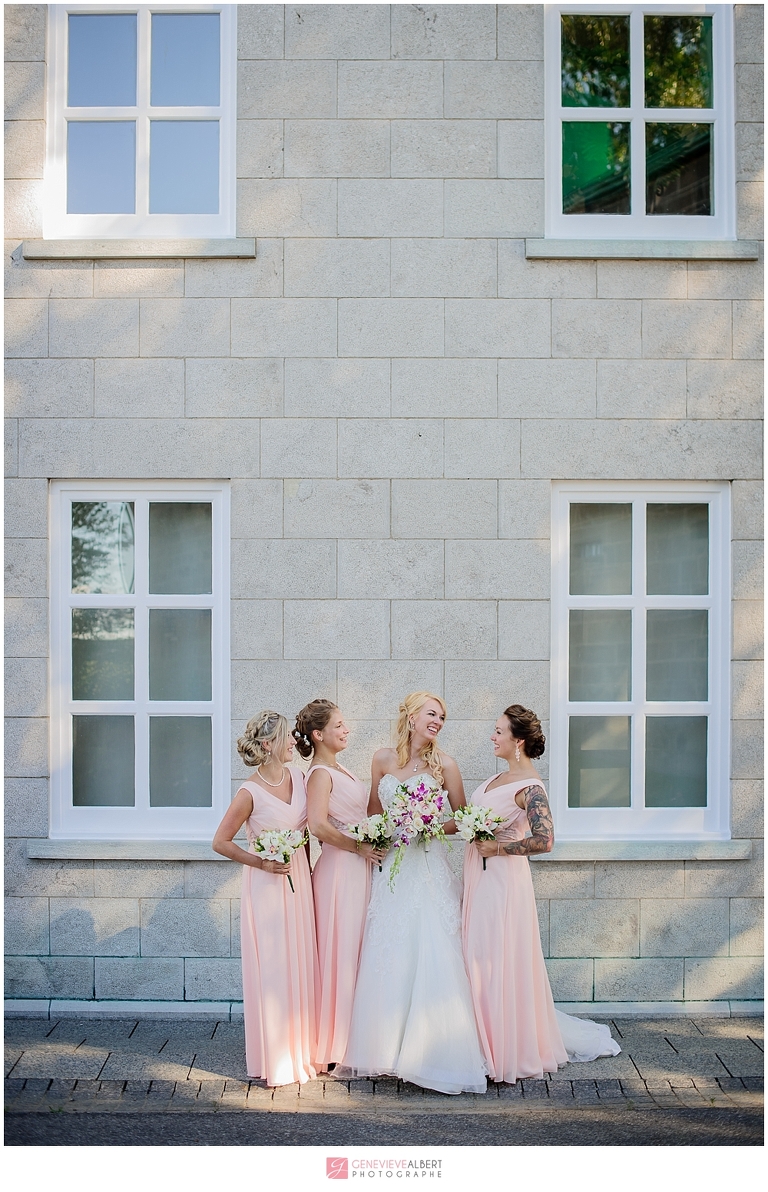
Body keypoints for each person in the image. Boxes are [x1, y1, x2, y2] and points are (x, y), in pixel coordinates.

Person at [338, 692, 488, 1095]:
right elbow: (373, 809)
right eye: (432, 714)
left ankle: (433, 1052)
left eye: (443, 716)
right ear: (410, 716)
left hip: (427, 868)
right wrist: (377, 834)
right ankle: (385, 1049)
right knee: (390, 948)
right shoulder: (383, 759)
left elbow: (462, 820)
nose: (438, 721)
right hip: (392, 871)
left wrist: (428, 827)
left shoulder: (446, 767)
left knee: (432, 947)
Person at [462, 704, 620, 1082]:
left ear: (518, 741)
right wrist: (423, 823)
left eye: (498, 731)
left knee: (492, 957)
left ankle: (503, 1048)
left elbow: (545, 840)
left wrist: (498, 848)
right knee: (475, 953)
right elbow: (468, 819)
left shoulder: (529, 788)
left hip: (501, 883)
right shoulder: (495, 779)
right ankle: (479, 1041)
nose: (492, 736)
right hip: (478, 878)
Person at [212, 710, 319, 1086]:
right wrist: (261, 861)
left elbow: (312, 828)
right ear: (268, 745)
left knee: (302, 962)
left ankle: (303, 1052)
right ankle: (277, 1059)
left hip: (299, 885)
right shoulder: (249, 792)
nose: (294, 742)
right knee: (275, 969)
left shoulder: (301, 779)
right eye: (288, 737)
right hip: (267, 888)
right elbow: (220, 842)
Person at [295, 699, 386, 1071]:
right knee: (340, 951)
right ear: (319, 735)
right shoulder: (319, 773)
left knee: (355, 950)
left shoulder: (339, 768)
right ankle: (333, 1044)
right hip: (338, 871)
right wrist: (359, 846)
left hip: (356, 869)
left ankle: (353, 1036)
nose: (346, 730)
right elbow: (317, 825)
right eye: (339, 725)